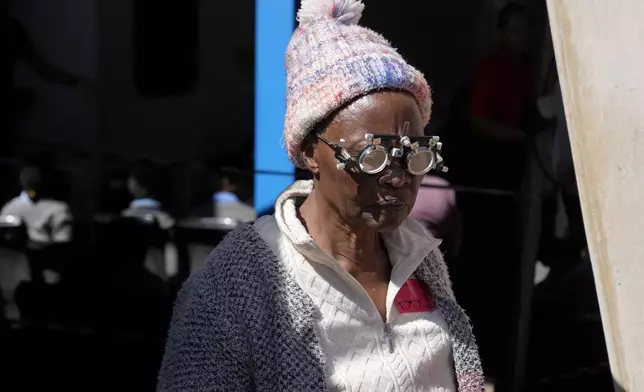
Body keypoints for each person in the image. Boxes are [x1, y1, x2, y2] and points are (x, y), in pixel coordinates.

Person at [158, 1, 483, 391]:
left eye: (415, 155)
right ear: (312, 151)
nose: (398, 179)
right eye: (372, 156)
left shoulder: (421, 258)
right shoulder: (234, 287)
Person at [469, 2, 532, 190]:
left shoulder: (529, 67)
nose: (523, 37)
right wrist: (521, 137)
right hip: (494, 160)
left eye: (525, 30)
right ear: (503, 34)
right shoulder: (491, 69)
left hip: (525, 159)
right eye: (516, 31)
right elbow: (478, 121)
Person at [1, 163, 72, 244]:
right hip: (16, 254)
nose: (32, 178)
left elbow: (62, 242)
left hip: (45, 253)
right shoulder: (12, 206)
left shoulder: (59, 209)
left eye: (35, 175)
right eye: (28, 175)